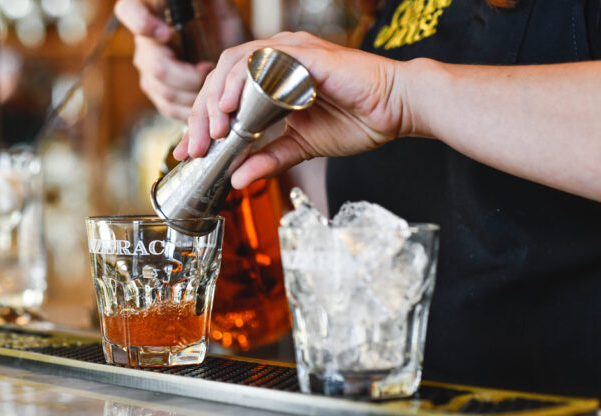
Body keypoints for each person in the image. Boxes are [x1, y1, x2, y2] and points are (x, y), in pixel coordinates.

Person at [116, 0, 601, 398]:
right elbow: (364, 212)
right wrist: (250, 93)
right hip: (397, 399)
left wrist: (404, 94)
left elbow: (401, 103)